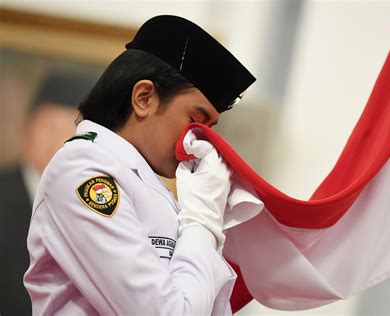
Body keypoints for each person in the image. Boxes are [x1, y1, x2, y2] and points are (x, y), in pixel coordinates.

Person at [23, 15, 256, 315]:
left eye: (209, 130)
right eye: (195, 121)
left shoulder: (147, 183)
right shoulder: (83, 171)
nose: (197, 142)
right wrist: (201, 224)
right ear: (144, 98)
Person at [0, 72, 94, 315]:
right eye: (48, 127)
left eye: (68, 132)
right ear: (27, 126)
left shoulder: (87, 207)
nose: (56, 142)